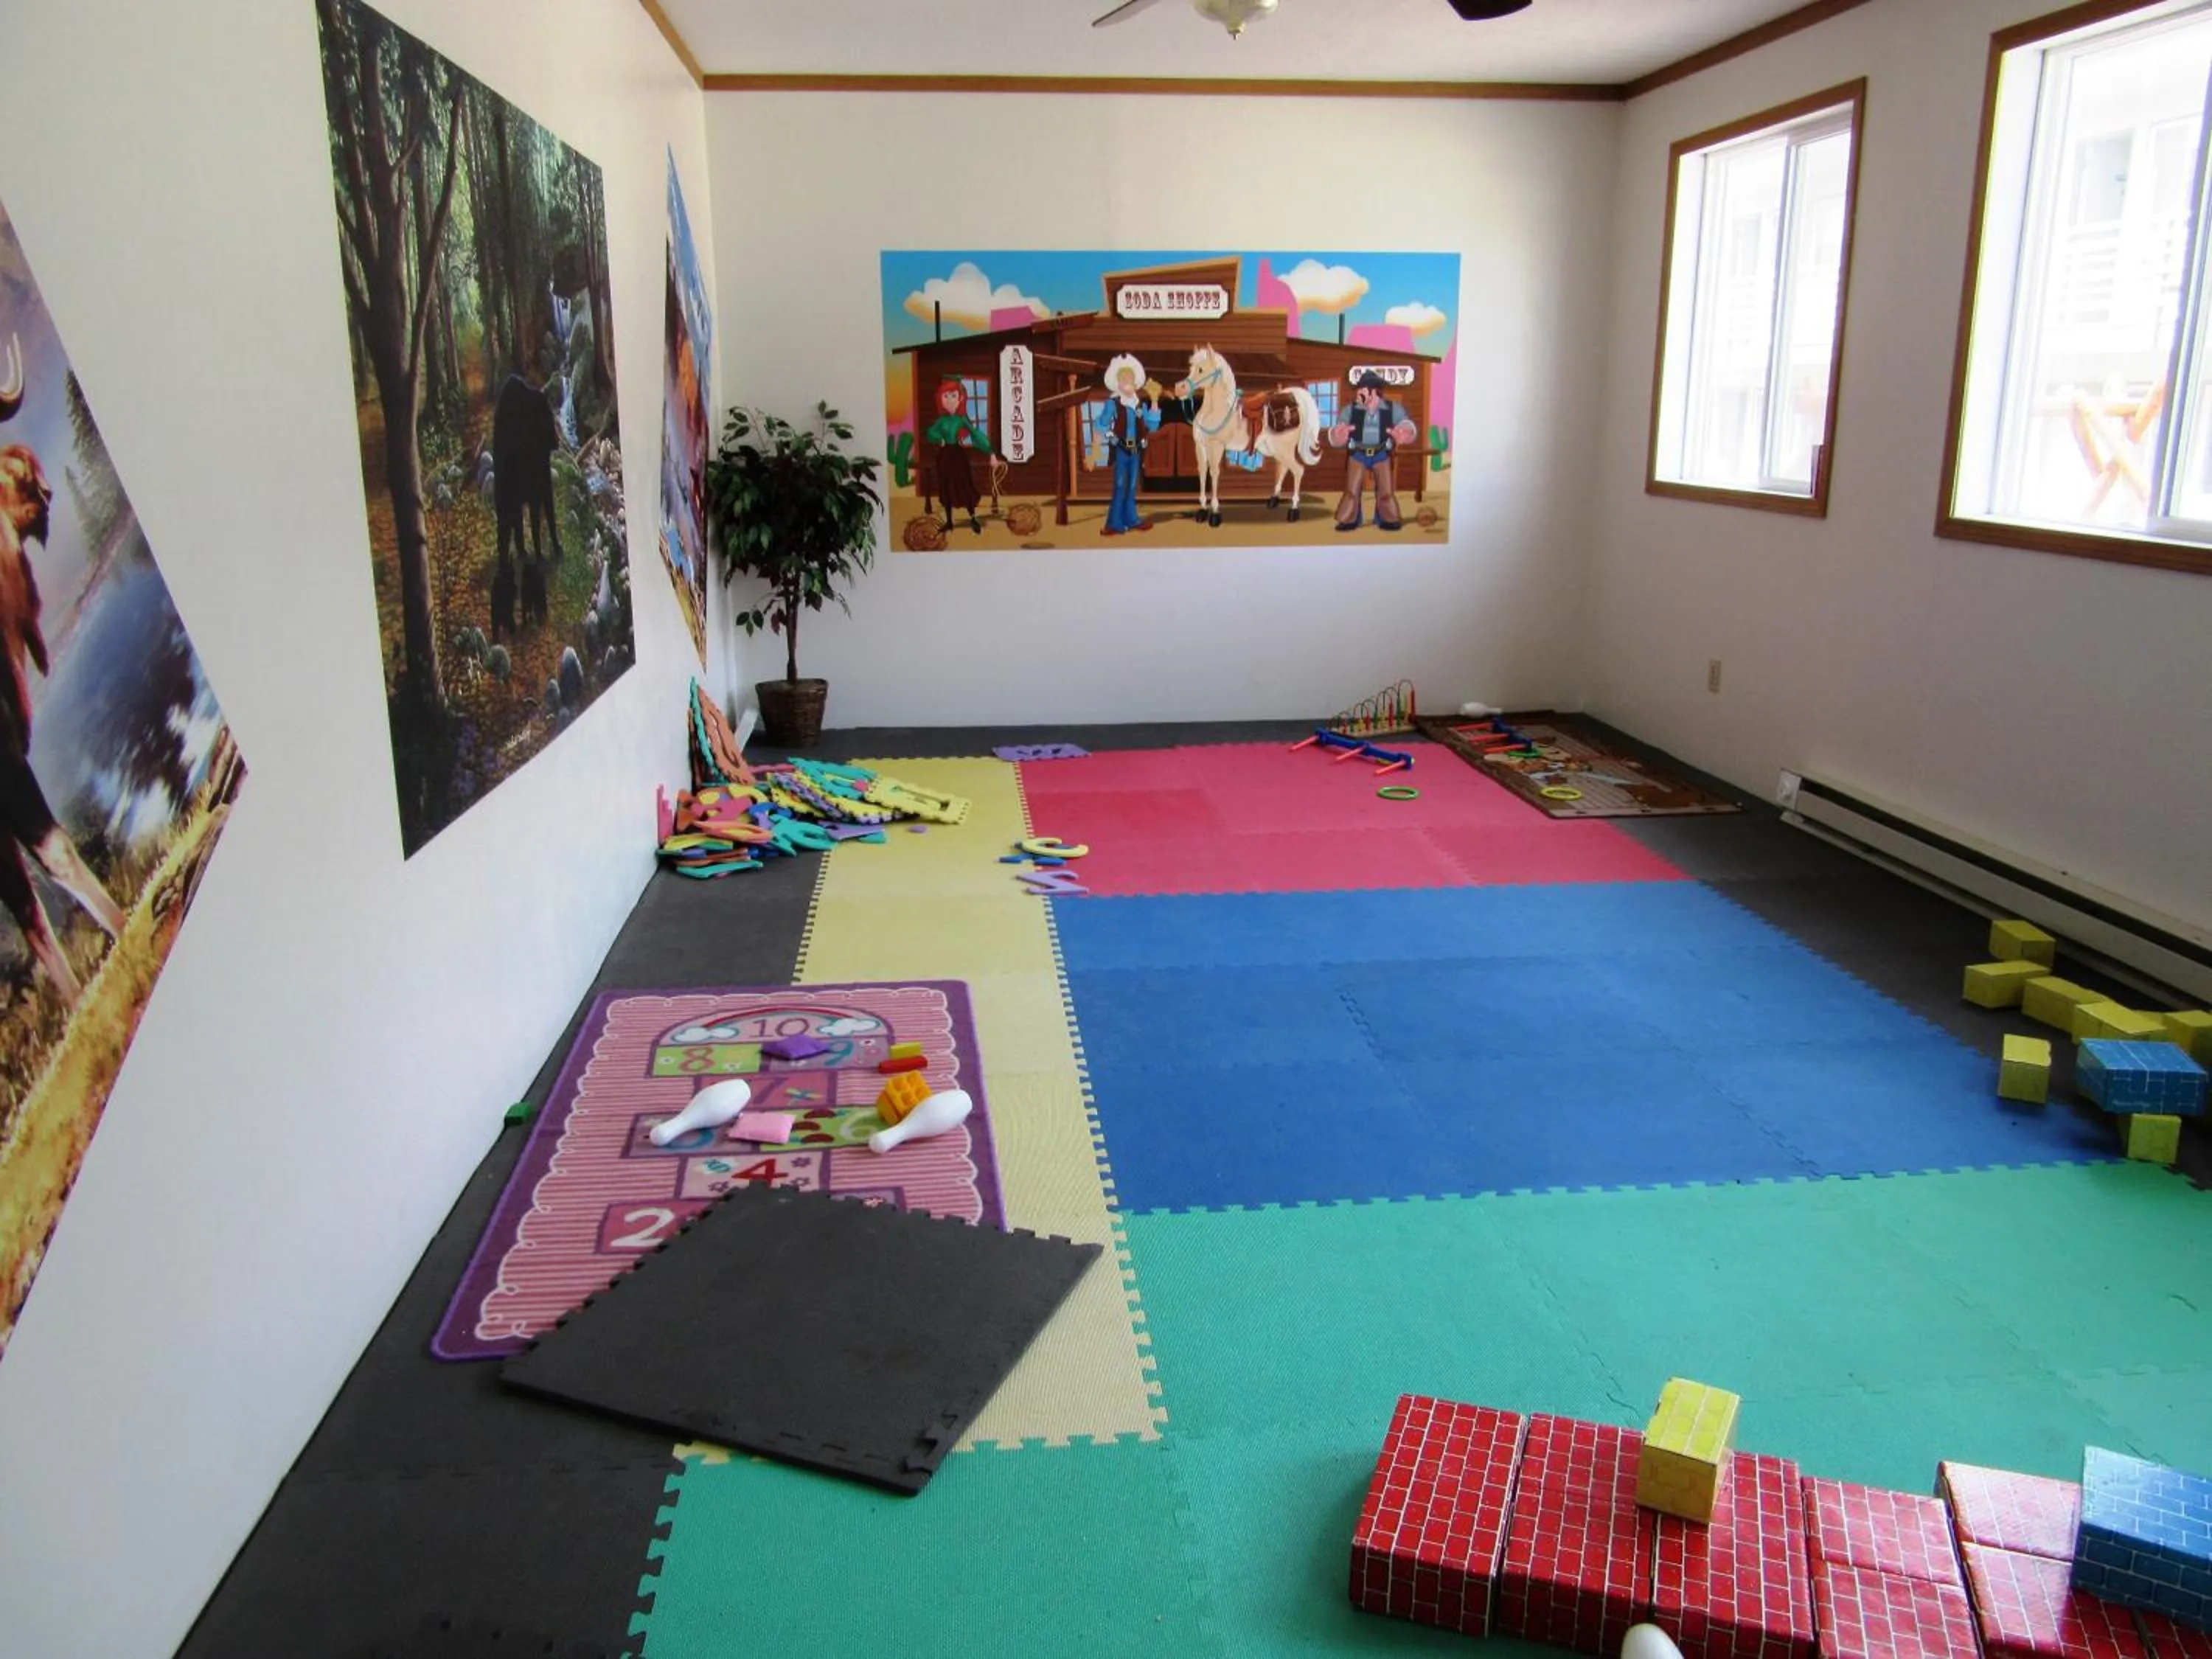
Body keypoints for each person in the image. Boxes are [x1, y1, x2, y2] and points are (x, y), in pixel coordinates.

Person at [1326, 371, 1419, 532]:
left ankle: (1388, 519)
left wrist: (1405, 431)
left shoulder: (1392, 408)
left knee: (1386, 490)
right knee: (1352, 490)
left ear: (1374, 391)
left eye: (1363, 389)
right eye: (1359, 389)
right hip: (1358, 453)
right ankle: (1349, 519)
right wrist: (1338, 434)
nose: (1359, 393)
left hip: (1381, 453)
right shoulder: (1351, 410)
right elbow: (1339, 429)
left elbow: (1406, 424)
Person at [1093, 355, 1160, 536]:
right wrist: (1095, 453)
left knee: (1131, 486)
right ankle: (1113, 524)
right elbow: (1101, 425)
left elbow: (1152, 426)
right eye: (1123, 381)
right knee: (1120, 486)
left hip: (1136, 451)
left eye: (1130, 380)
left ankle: (1132, 520)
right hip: (1121, 450)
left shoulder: (1140, 405)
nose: (1128, 384)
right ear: (1118, 384)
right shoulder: (1113, 404)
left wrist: (1154, 400)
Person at [923, 378, 992, 535]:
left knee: (965, 484)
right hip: (945, 455)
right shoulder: (942, 420)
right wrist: (938, 439)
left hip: (958, 455)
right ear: (941, 399)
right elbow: (930, 432)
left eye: (953, 396)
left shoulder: (961, 419)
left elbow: (976, 434)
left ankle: (973, 517)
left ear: (960, 399)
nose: (949, 400)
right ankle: (949, 522)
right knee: (946, 486)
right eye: (945, 396)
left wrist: (990, 452)